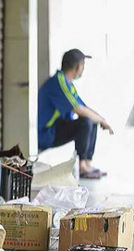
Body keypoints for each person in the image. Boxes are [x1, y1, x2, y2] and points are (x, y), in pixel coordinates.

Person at [38, 49, 114, 179]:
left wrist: (100, 119)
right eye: (83, 65)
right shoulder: (58, 82)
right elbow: (78, 109)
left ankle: (87, 164)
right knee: (86, 121)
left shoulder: (68, 84)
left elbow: (84, 108)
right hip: (46, 134)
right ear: (78, 67)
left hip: (56, 129)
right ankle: (82, 167)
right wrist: (102, 120)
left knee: (91, 119)